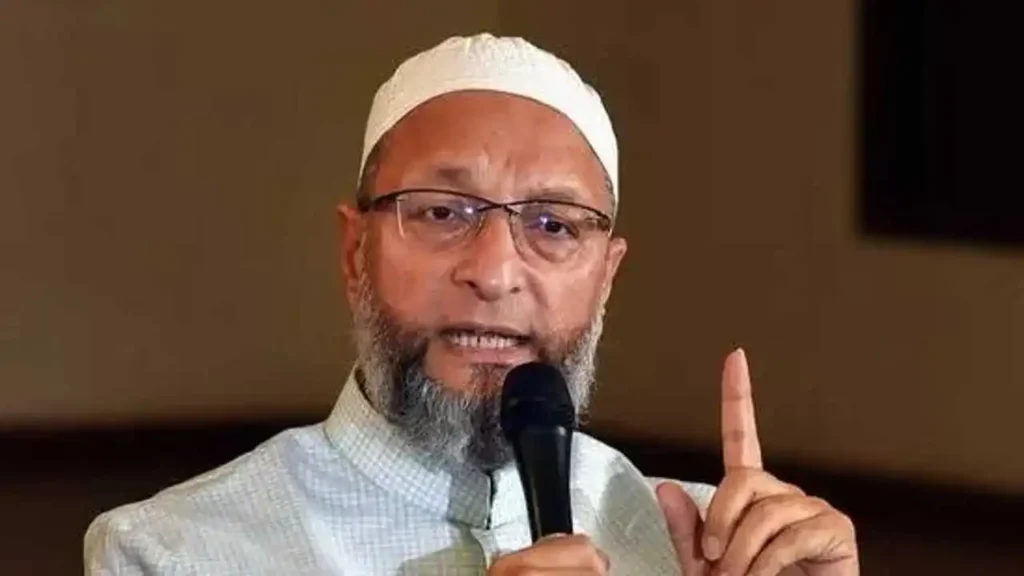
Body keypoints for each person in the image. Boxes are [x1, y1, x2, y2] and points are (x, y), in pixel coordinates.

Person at [85, 34, 857, 575]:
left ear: (605, 276)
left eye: (553, 225)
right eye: (441, 212)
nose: (494, 272)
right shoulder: (176, 553)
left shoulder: (704, 545)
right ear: (355, 252)